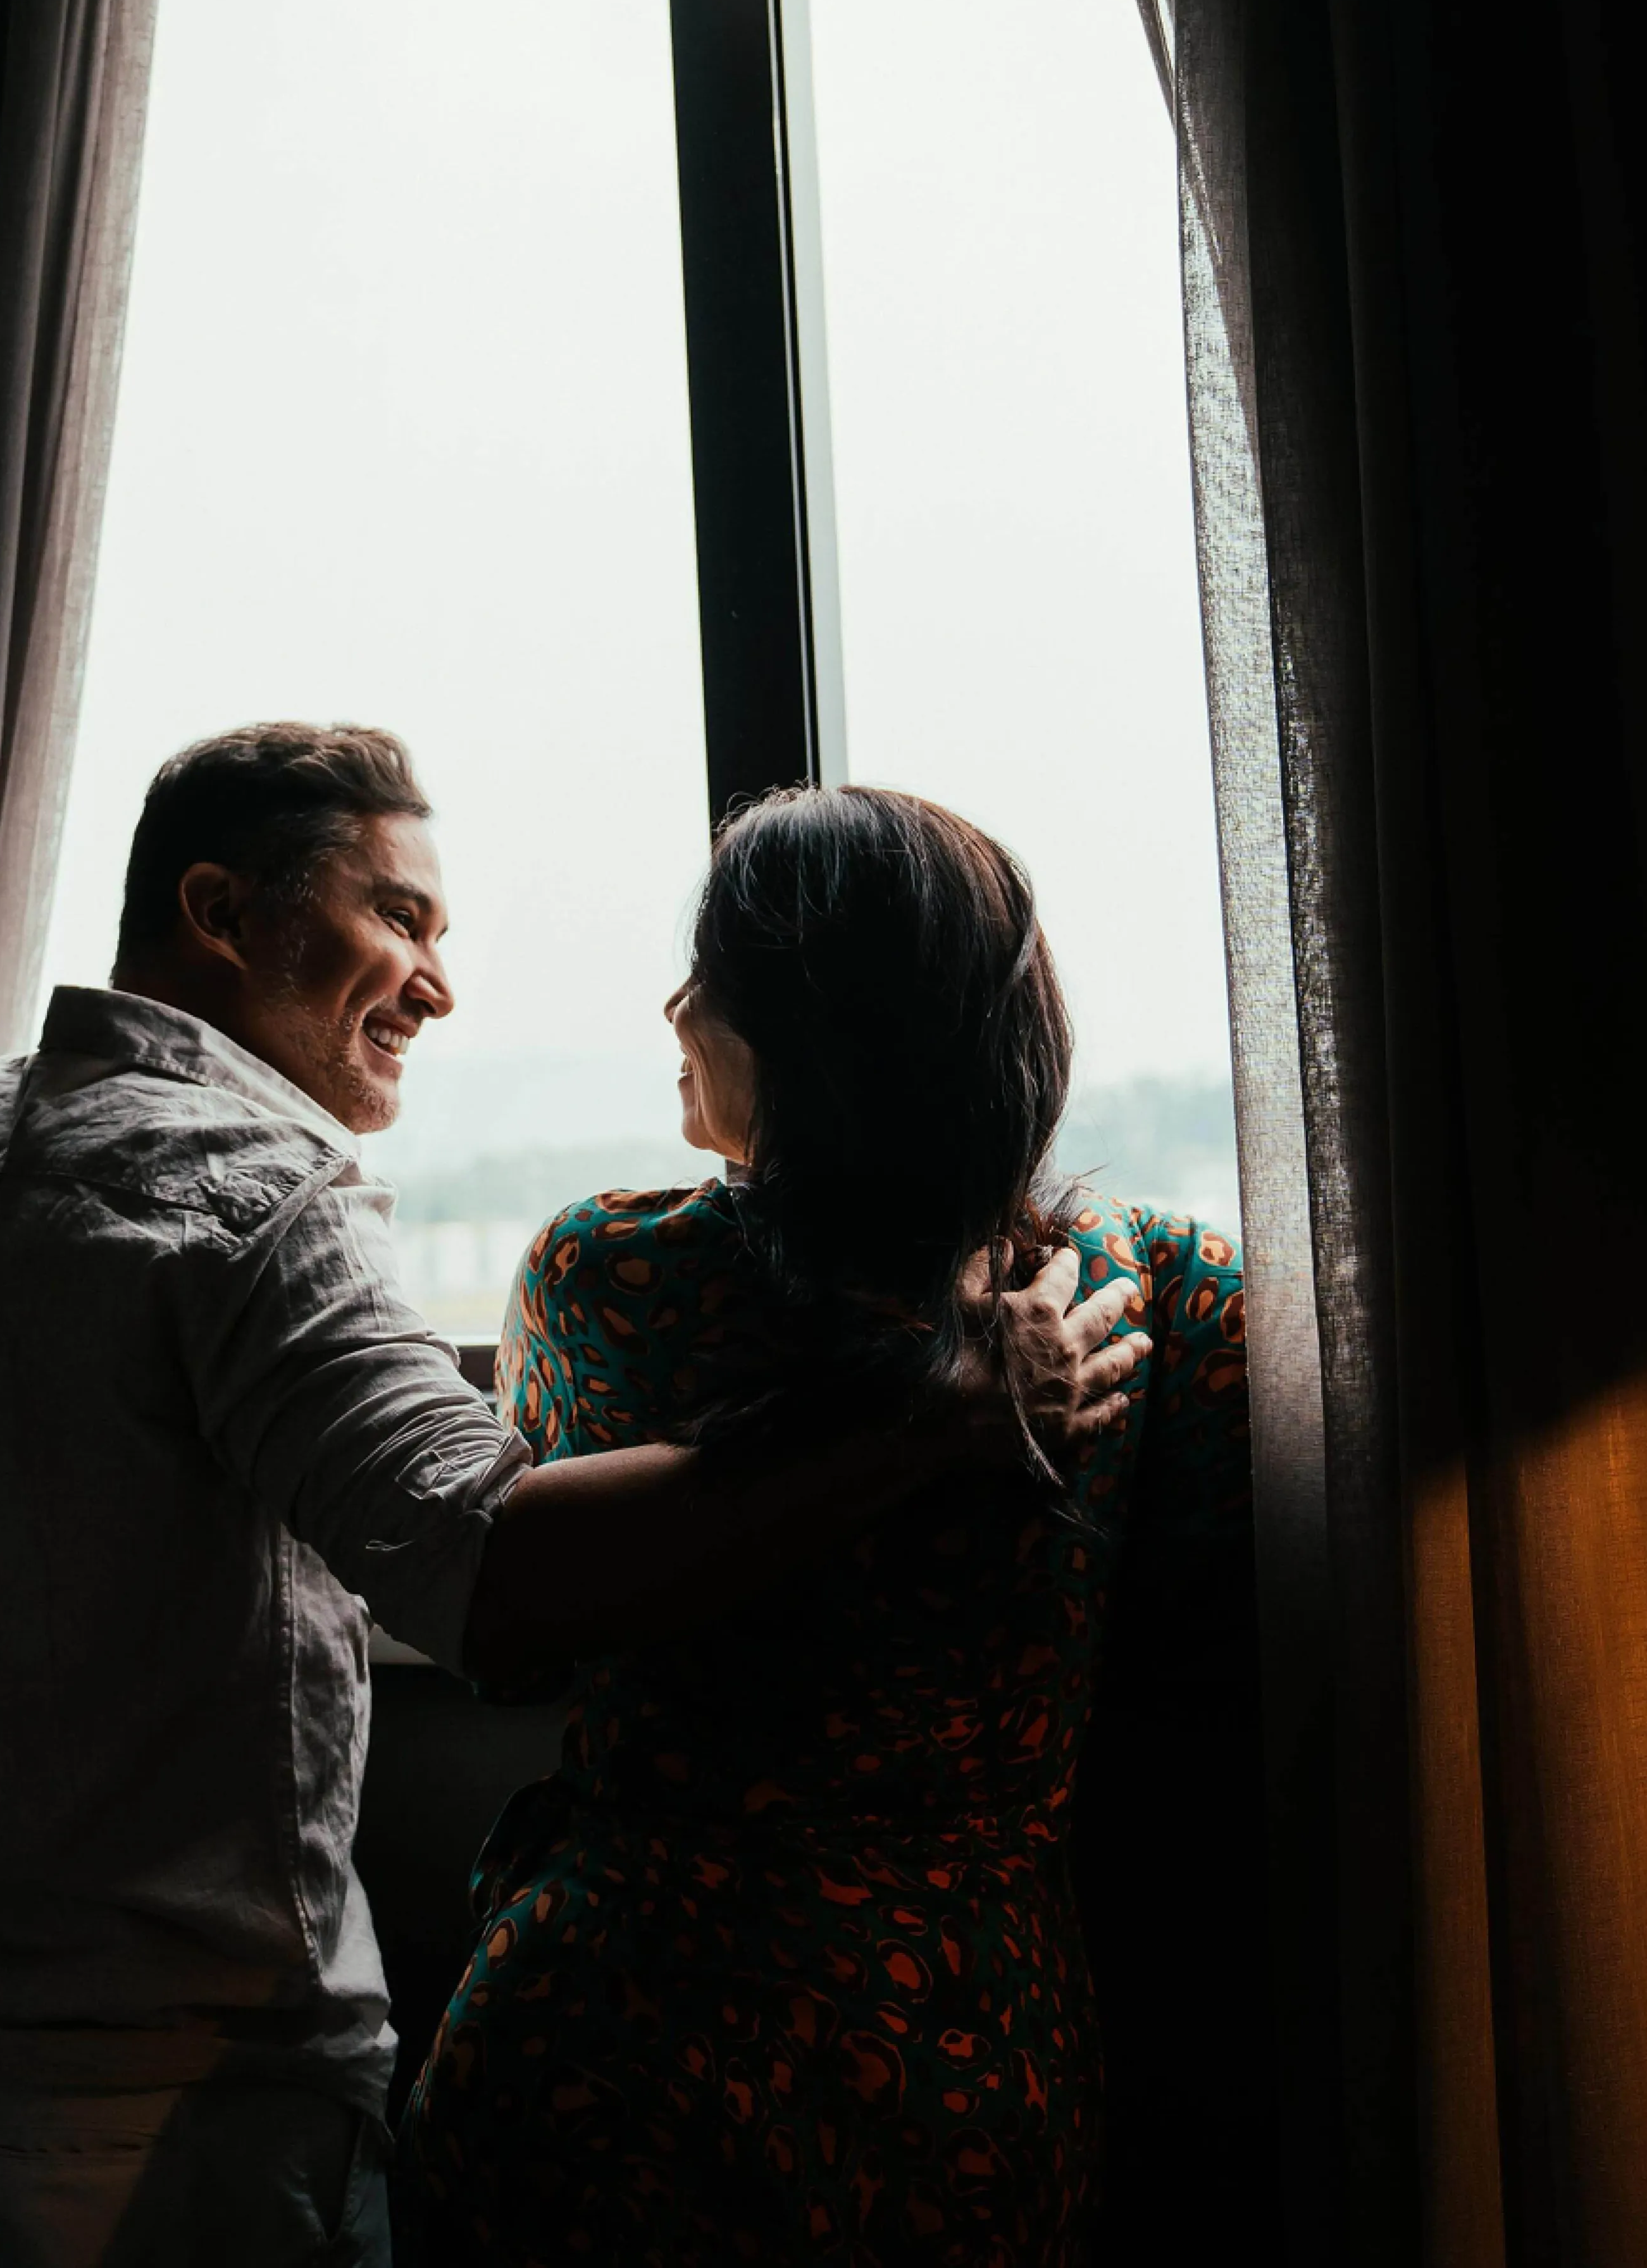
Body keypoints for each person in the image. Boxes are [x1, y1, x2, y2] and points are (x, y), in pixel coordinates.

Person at [0, 728, 1147, 2267]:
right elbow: (494, 1585)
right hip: (175, 2118)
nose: (437, 985)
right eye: (399, 917)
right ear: (219, 909)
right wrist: (924, 1421)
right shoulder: (252, 1200)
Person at [397, 784, 1252, 2265]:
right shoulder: (1149, 1287)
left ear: (807, 1031)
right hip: (966, 2054)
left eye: (710, 971)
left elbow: (519, 1655)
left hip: (621, 2040)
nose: (674, 1002)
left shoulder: (614, 1277)